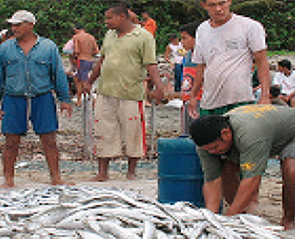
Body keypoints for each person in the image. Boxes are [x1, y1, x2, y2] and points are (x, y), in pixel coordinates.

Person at [187, 0, 271, 207]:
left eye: (222, 3)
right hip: (210, 101)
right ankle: (217, 210)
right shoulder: (202, 30)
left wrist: (265, 95)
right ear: (204, 5)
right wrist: (193, 95)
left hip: (240, 100)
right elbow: (201, 65)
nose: (218, 9)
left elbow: (261, 60)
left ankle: (249, 206)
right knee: (211, 160)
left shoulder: (249, 26)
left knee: (242, 159)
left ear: (230, 2)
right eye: (213, 4)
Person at [189, 104, 295, 230]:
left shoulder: (250, 135)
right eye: (208, 150)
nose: (212, 152)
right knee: (227, 170)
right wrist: (212, 218)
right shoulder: (205, 146)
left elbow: (252, 179)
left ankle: (288, 220)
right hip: (264, 133)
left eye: (215, 147)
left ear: (225, 133)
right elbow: (212, 180)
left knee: (292, 171)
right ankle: (242, 214)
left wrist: (227, 220)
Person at [0, 10, 72, 188]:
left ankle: (56, 178)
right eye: (12, 25)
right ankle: (8, 179)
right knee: (11, 140)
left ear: (31, 25)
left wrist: (65, 99)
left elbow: (58, 74)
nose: (14, 28)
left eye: (18, 24)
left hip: (42, 97)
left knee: (49, 139)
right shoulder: (4, 49)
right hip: (13, 98)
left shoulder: (48, 47)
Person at [84, 3, 164, 181]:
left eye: (109, 18)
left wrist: (159, 87)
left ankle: (131, 172)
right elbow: (102, 60)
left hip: (131, 93)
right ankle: (103, 172)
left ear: (121, 17)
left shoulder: (143, 36)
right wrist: (89, 82)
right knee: (104, 130)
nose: (106, 22)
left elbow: (151, 64)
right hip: (106, 91)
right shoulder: (109, 35)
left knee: (133, 132)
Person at [179, 21, 202, 136]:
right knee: (187, 130)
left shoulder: (202, 55)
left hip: (199, 98)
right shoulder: (188, 55)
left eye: (185, 38)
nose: (182, 42)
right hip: (187, 98)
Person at [72, 23, 100, 106]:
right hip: (90, 60)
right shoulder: (91, 37)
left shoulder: (76, 37)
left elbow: (77, 51)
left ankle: (93, 100)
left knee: (83, 81)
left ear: (76, 29)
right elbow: (97, 51)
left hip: (81, 60)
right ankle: (79, 99)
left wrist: (72, 55)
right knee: (79, 79)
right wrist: (88, 52)